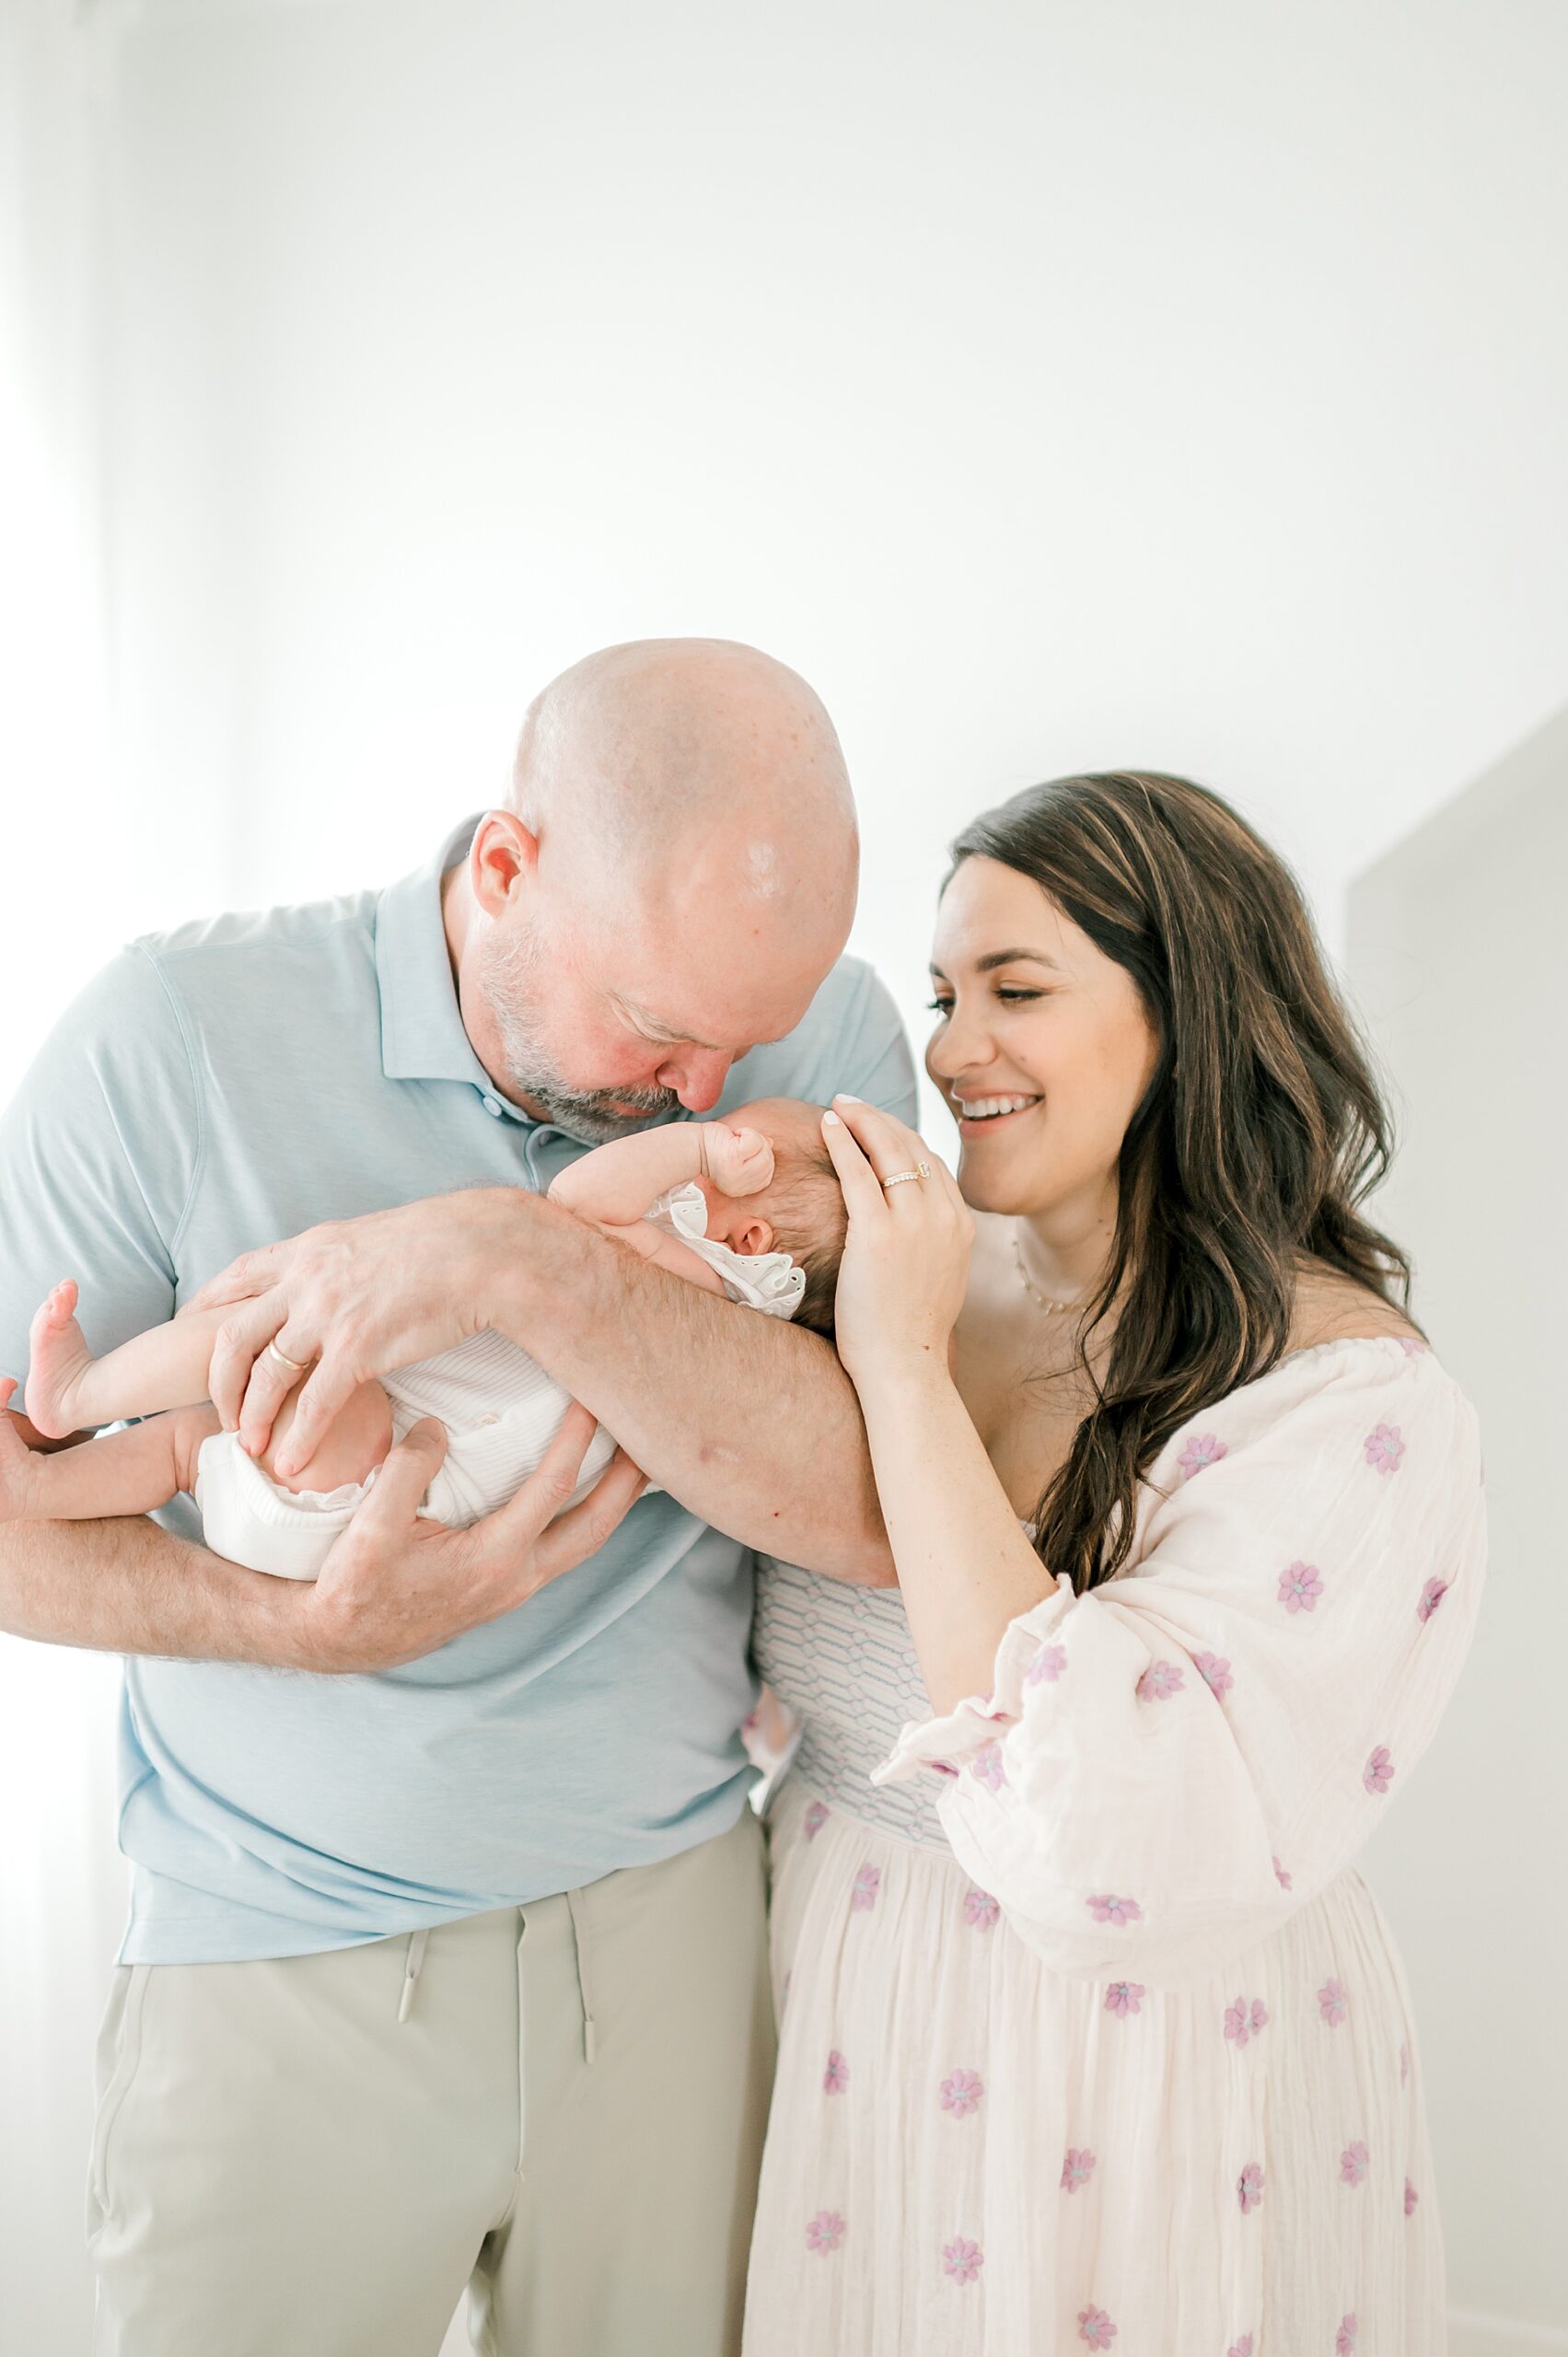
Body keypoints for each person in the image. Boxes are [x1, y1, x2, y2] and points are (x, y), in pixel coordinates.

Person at [0, 638, 915, 2357]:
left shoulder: (826, 1036)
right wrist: (301, 1625)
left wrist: (519, 1261)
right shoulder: (176, 1034)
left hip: (670, 1942)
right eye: (658, 1032)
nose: (713, 1097)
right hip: (281, 1960)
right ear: (505, 869)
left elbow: (880, 1506)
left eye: (751, 1041)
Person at [745, 773, 1484, 2354]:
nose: (949, 1049)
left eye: (1017, 989)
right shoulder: (910, 1269)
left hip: (1132, 2069)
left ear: (1188, 1011)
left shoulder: (1349, 1405)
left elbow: (1099, 1827)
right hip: (833, 2009)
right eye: (943, 994)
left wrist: (898, 1373)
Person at [2, 1097, 845, 1575]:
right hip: (352, 1497)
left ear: (754, 1248)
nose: (712, 1127)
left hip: (382, 1490)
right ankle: (41, 1487)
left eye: (740, 1146)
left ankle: (81, 1395)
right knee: (191, 1445)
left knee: (279, 1339)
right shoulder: (714, 1341)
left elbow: (581, 1205)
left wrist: (693, 1145)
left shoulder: (692, 1290)